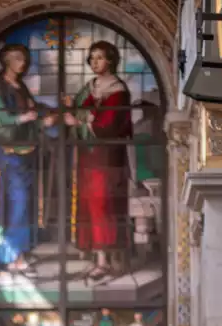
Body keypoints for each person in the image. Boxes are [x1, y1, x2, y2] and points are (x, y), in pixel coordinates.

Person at [65, 41, 132, 281]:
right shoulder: (90, 87)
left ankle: (107, 262)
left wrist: (83, 119)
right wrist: (77, 113)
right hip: (88, 156)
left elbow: (110, 125)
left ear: (111, 60)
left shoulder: (117, 89)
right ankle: (98, 258)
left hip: (106, 157)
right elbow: (83, 114)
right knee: (89, 205)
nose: (95, 62)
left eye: (100, 57)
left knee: (103, 205)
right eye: (92, 58)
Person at [0, 44, 56, 272]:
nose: (23, 63)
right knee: (16, 203)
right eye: (18, 58)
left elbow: (32, 112)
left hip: (26, 151)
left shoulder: (20, 87)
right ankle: (11, 257)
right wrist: (25, 118)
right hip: (9, 152)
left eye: (25, 59)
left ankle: (20, 253)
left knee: (25, 203)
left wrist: (43, 118)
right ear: (6, 60)